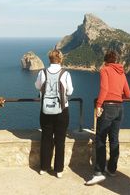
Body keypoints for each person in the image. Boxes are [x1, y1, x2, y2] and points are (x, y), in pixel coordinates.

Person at [86, 50, 130, 185]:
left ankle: (98, 172)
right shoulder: (121, 72)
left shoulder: (105, 70)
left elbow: (104, 88)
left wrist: (99, 105)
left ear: (106, 60)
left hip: (108, 108)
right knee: (114, 139)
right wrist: (117, 96)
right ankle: (111, 169)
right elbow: (128, 94)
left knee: (100, 139)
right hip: (119, 109)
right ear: (116, 60)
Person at [35, 49, 73, 178]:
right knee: (60, 140)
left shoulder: (42, 72)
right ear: (60, 59)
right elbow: (70, 91)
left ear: (49, 59)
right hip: (62, 111)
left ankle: (44, 168)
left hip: (45, 111)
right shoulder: (65, 74)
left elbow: (37, 86)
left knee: (46, 138)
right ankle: (59, 170)